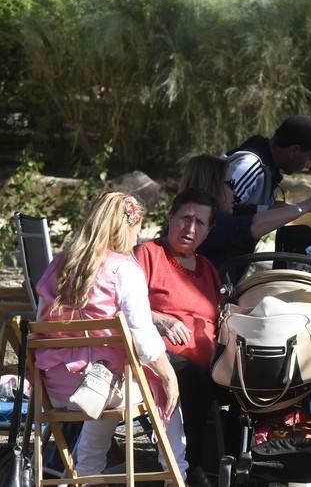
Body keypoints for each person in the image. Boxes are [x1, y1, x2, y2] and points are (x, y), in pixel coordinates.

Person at [33, 192, 189, 482]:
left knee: (114, 380)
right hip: (100, 387)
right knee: (157, 382)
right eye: (137, 227)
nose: (138, 236)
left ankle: (88, 472)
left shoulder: (58, 265)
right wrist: (168, 375)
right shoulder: (123, 269)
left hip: (54, 386)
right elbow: (143, 337)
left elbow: (40, 321)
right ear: (127, 226)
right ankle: (176, 473)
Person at [134, 189, 221, 484]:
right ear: (170, 218)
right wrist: (160, 319)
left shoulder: (208, 269)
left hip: (209, 362)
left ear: (209, 231)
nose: (191, 228)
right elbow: (122, 306)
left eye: (200, 222)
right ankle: (195, 471)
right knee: (197, 379)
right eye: (185, 218)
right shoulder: (148, 255)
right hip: (160, 360)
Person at [179, 154, 311, 268]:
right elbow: (254, 224)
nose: (235, 193)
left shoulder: (210, 217)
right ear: (214, 186)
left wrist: (307, 206)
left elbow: (259, 212)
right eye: (231, 185)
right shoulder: (207, 224)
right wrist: (305, 206)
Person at [223, 115, 311, 214]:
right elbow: (220, 213)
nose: (308, 165)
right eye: (310, 158)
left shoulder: (271, 169)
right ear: (294, 150)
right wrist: (302, 207)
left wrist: (278, 209)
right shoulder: (249, 165)